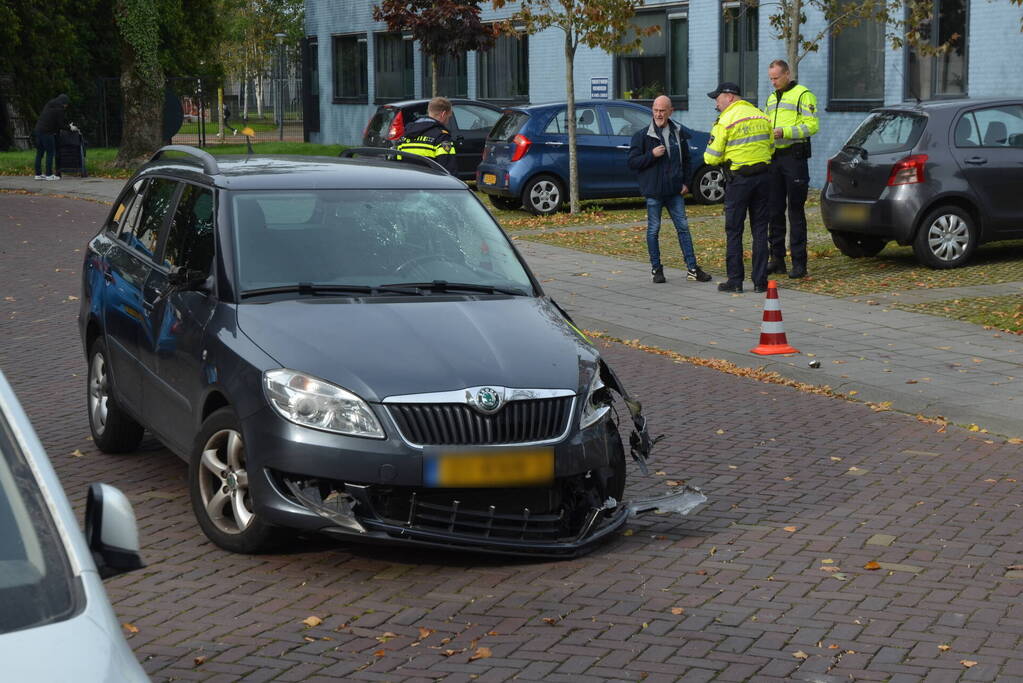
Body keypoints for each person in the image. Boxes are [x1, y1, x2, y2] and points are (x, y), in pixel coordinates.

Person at [627, 95, 712, 284]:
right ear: (652, 110)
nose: (658, 114)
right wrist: (651, 154)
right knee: (653, 230)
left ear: (670, 111)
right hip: (654, 192)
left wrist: (687, 184)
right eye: (656, 110)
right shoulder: (641, 136)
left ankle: (692, 269)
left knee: (683, 228)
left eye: (662, 110)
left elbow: (688, 161)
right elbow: (632, 162)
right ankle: (656, 269)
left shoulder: (677, 132)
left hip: (675, 191)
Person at [703, 82, 774, 294]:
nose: (716, 103)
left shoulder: (725, 119)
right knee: (760, 230)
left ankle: (735, 280)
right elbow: (770, 147)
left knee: (734, 230)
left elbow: (711, 157)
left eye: (718, 98)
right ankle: (761, 281)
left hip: (739, 180)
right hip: (763, 178)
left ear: (730, 97)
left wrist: (726, 156)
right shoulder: (761, 116)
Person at [764, 59, 819, 279]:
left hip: (794, 158)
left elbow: (812, 125)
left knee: (795, 211)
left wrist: (784, 131)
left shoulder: (803, 94)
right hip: (774, 158)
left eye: (776, 78)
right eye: (771, 78)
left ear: (787, 74)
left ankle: (799, 263)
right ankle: (777, 259)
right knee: (774, 211)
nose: (773, 82)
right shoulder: (770, 98)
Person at [395, 97, 457, 174]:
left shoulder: (405, 135)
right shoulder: (442, 137)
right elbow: (448, 169)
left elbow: (398, 162)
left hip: (408, 182)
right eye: (449, 117)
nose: (448, 121)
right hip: (431, 183)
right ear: (443, 114)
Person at [33, 94, 78, 181]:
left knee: (39, 153)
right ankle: (49, 175)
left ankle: (38, 174)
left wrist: (67, 126)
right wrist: (70, 127)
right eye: (66, 104)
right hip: (47, 132)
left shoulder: (49, 104)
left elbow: (52, 120)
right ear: (64, 103)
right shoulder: (59, 109)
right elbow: (60, 124)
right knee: (50, 152)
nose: (66, 106)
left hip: (38, 130)